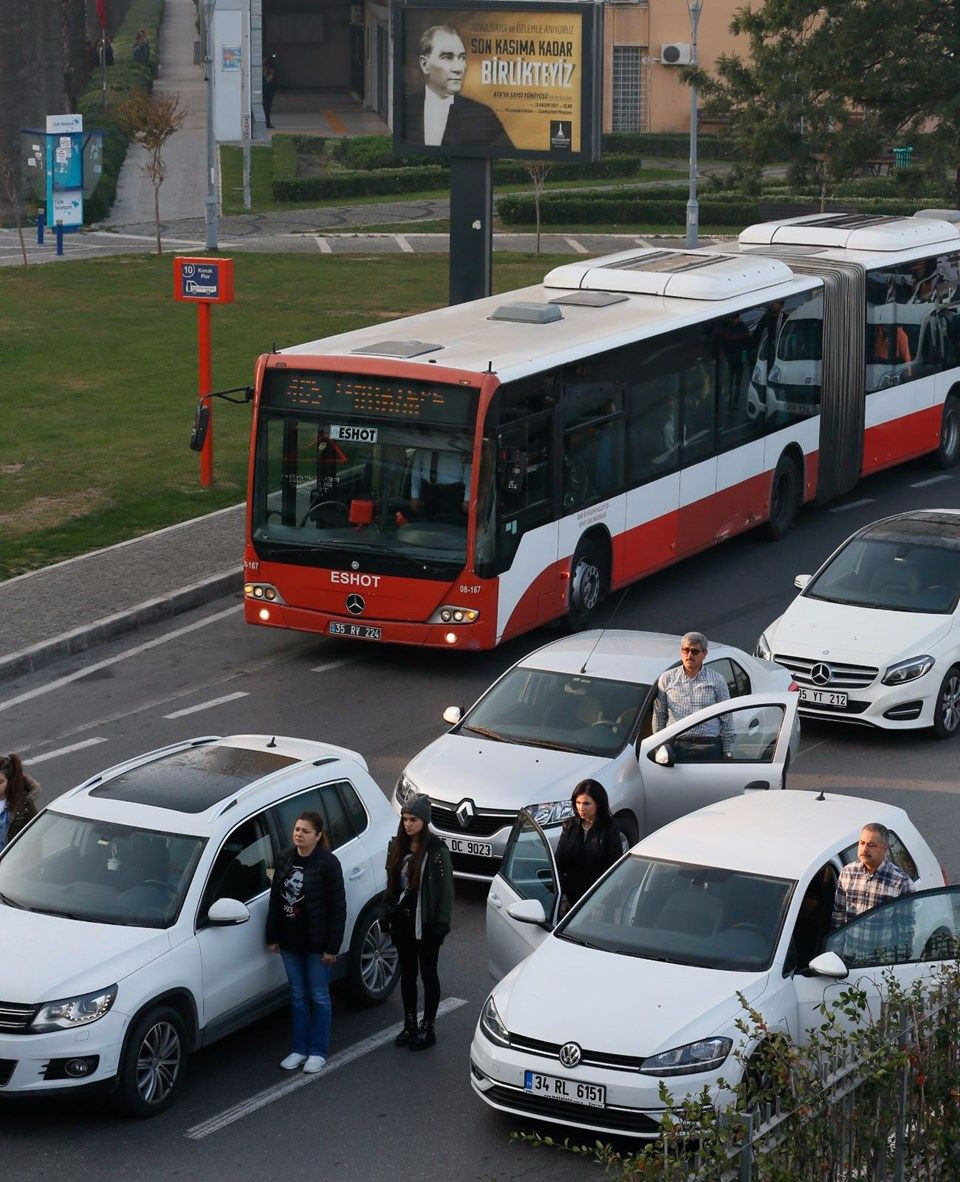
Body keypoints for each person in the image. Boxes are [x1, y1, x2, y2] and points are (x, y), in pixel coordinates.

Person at [266, 811, 346, 1074]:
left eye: (305, 831)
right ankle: (299, 1049)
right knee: (298, 996)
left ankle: (318, 1052)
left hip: (316, 945)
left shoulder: (328, 863)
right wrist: (273, 935)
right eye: (297, 829)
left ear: (318, 835)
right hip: (290, 942)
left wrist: (331, 947)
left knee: (319, 997)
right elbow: (275, 900)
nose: (299, 834)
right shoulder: (285, 858)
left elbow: (338, 908)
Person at [379, 793, 453, 1051]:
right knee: (408, 975)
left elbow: (445, 893)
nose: (408, 824)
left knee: (428, 974)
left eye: (414, 819)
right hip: (403, 923)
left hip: (427, 925)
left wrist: (440, 927)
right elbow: (390, 885)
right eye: (405, 818)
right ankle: (410, 1024)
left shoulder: (436, 851)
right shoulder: (396, 846)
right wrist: (385, 914)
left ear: (425, 821)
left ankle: (428, 1027)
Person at [405, 25, 511, 151]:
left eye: (462, 58)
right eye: (447, 57)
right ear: (424, 64)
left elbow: (508, 161)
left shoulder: (483, 115)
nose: (458, 68)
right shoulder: (405, 107)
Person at [830, 824, 914, 965]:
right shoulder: (847, 873)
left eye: (871, 845)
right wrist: (834, 955)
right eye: (862, 843)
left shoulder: (900, 882)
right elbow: (838, 915)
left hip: (880, 963)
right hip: (848, 960)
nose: (864, 849)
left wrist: (897, 965)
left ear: (885, 848)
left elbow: (904, 930)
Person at [652, 631, 731, 759]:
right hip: (677, 745)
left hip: (709, 746)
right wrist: (658, 748)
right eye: (686, 650)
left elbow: (726, 718)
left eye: (695, 651)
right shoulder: (667, 679)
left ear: (704, 654)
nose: (689, 655)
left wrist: (728, 751)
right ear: (681, 651)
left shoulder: (717, 680)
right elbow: (659, 716)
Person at [556, 780, 622, 914]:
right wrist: (561, 898)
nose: (581, 808)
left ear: (598, 803)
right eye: (578, 803)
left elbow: (614, 869)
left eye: (586, 803)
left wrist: (600, 903)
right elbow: (559, 864)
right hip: (571, 900)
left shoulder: (610, 828)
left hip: (600, 901)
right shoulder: (569, 826)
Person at [410, 444, 472, 518]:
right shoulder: (424, 439)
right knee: (424, 525)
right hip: (428, 491)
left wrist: (467, 498)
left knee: (451, 524)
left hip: (453, 494)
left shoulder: (461, 440)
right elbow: (416, 470)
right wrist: (414, 496)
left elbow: (469, 472)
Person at [0, 754, 40, 851]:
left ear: (10, 782)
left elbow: (35, 841)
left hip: (11, 864)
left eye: (0, 782)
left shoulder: (24, 805)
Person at [262, 56, 277, 129]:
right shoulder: (265, 80)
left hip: (268, 97)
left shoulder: (268, 80)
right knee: (266, 111)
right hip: (266, 97)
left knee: (267, 111)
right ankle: (267, 123)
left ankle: (267, 123)